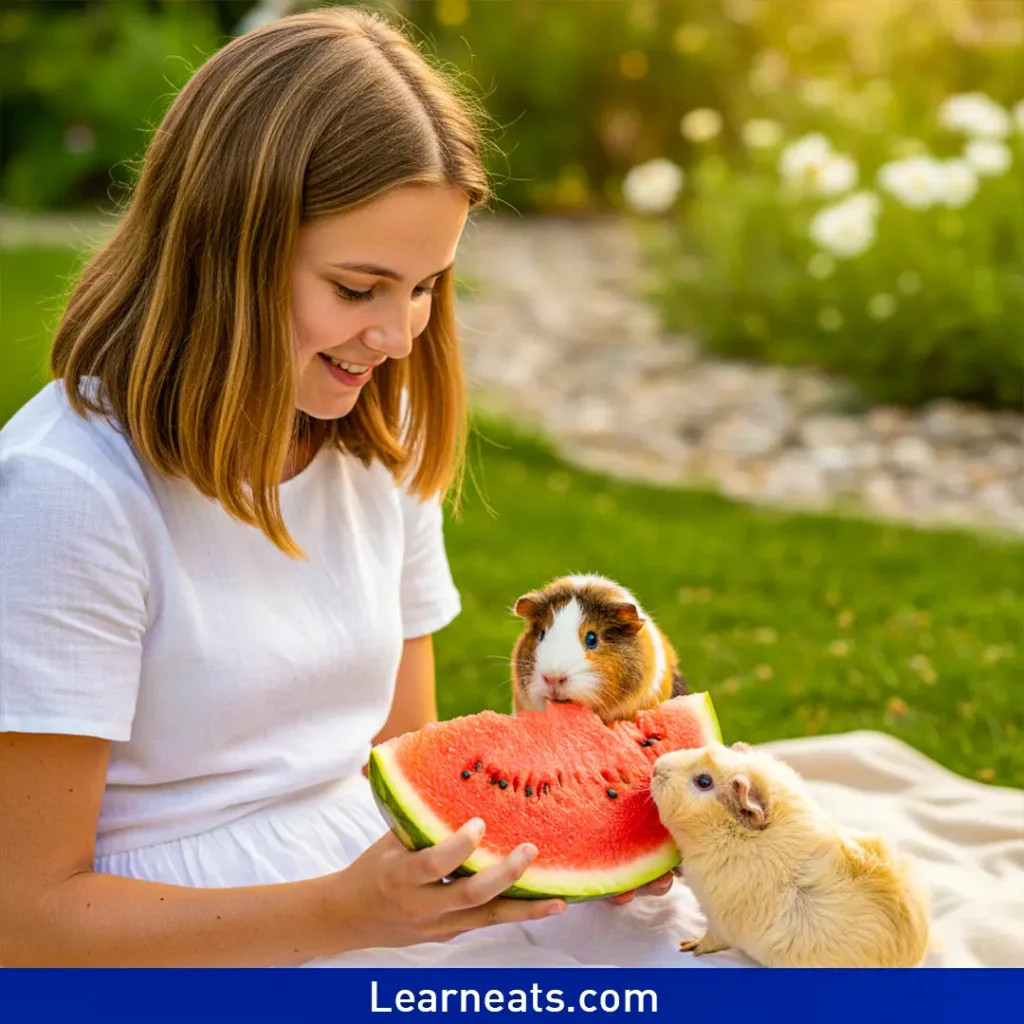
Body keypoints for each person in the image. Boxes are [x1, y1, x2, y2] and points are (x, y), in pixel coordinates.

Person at [0, 6, 745, 969]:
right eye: (358, 289)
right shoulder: (67, 493)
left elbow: (411, 758)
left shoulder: (380, 443)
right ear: (222, 254)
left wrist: (589, 846)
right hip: (178, 942)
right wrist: (350, 915)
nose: (398, 337)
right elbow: (24, 921)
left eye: (428, 285)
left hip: (374, 880)